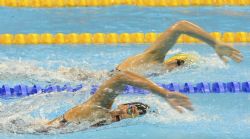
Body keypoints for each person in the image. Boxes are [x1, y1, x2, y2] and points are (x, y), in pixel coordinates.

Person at [47, 70, 193, 128]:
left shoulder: (109, 123)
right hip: (44, 129)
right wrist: (164, 93)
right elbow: (120, 77)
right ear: (123, 105)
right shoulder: (100, 106)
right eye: (130, 110)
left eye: (131, 116)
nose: (125, 115)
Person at [116, 20, 243, 73]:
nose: (175, 67)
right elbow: (181, 26)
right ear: (173, 58)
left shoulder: (157, 70)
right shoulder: (153, 60)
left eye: (181, 65)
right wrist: (215, 43)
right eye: (179, 62)